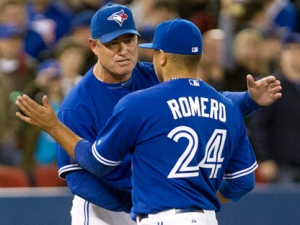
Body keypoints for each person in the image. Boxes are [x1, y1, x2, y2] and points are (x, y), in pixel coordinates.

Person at [16, 3, 283, 225]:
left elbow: (203, 101)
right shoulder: (78, 103)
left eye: (129, 40)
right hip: (104, 209)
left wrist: (248, 100)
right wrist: (134, 203)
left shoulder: (151, 75)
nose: (124, 51)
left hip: (153, 204)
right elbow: (79, 179)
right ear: (94, 46)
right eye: (113, 43)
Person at [247, 33, 300, 183]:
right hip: (282, 166)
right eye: (288, 50)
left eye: (297, 50)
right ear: (282, 55)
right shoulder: (271, 86)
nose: (293, 55)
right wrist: (265, 158)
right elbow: (258, 125)